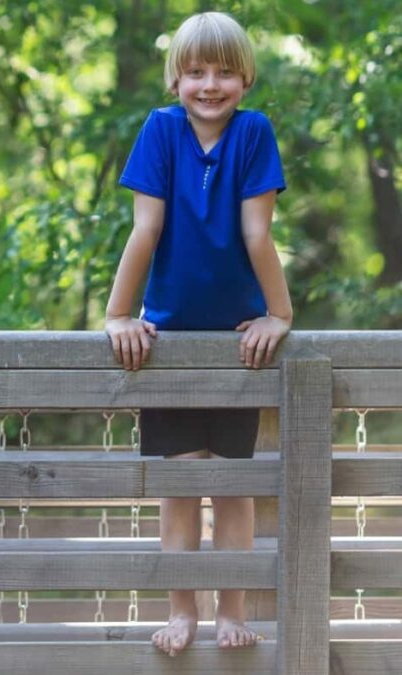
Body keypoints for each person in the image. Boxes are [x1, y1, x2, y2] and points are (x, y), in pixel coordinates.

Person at [103, 11, 291, 658]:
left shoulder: (254, 133)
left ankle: (231, 611)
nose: (210, 85)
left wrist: (279, 314)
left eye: (225, 72)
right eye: (195, 72)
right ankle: (181, 609)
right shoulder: (159, 132)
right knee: (180, 484)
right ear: (175, 78)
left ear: (245, 78)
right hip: (169, 339)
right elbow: (145, 230)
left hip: (240, 339)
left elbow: (257, 234)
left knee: (232, 486)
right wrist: (118, 314)